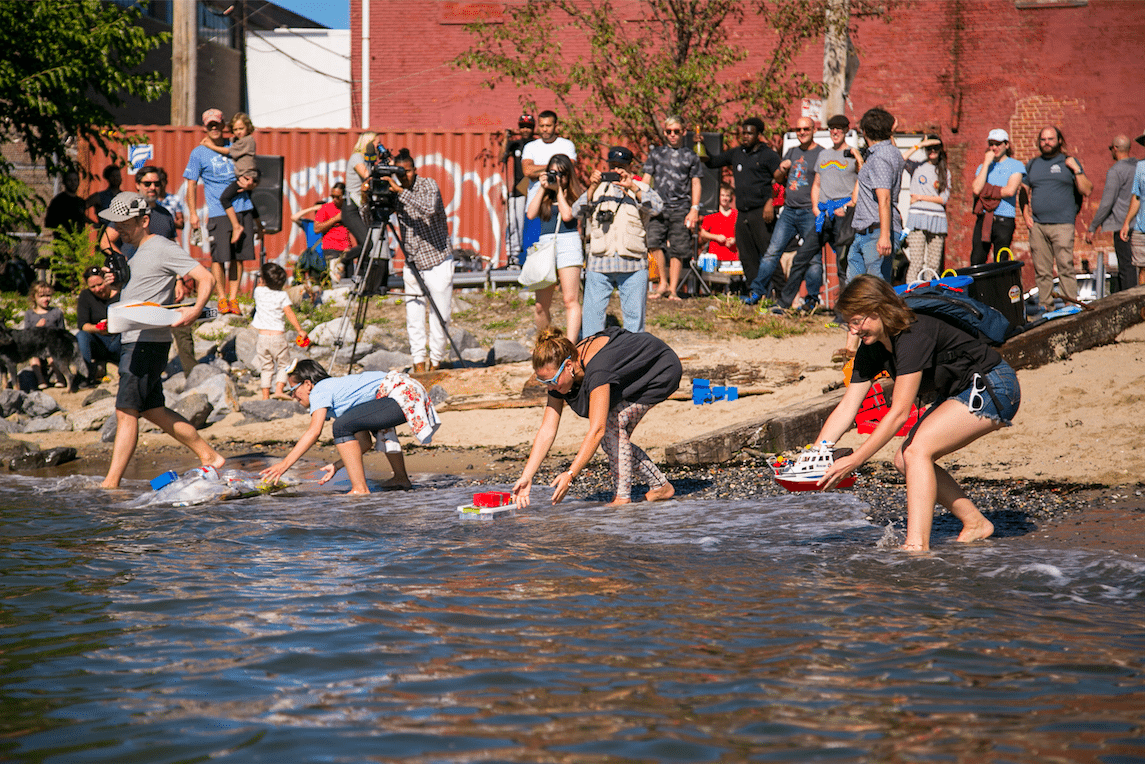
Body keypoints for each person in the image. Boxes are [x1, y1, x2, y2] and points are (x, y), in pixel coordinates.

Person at [816, 275, 1021, 551]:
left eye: (856, 321)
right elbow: (847, 408)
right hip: (959, 391)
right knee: (904, 459)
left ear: (877, 311)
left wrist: (855, 460)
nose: (852, 331)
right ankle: (975, 523)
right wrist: (813, 455)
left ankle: (916, 547)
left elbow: (899, 413)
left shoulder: (913, 334)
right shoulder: (870, 346)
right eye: (848, 323)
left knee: (916, 452)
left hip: (994, 385)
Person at [96, 192, 223, 489]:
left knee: (125, 411)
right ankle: (210, 456)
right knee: (152, 410)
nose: (118, 230)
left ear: (144, 220)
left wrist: (193, 312)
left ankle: (110, 484)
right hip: (135, 339)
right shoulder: (134, 251)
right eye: (115, 224)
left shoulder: (163, 247)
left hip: (147, 342)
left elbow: (207, 278)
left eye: (124, 223)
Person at [512, 326, 681, 508]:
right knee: (612, 438)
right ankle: (660, 487)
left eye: (552, 381)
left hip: (659, 368)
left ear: (568, 366)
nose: (550, 388)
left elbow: (598, 430)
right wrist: (527, 476)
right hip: (628, 372)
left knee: (611, 428)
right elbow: (547, 429)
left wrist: (570, 474)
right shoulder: (562, 375)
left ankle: (622, 499)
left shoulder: (597, 371)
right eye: (543, 382)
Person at [260, 359, 441, 494]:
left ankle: (359, 489)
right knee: (348, 424)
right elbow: (363, 444)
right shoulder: (342, 397)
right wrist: (336, 466)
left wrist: (284, 464)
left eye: (293, 390)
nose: (293, 396)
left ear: (308, 384)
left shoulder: (320, 390)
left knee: (341, 426)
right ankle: (401, 479)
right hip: (406, 392)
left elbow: (314, 431)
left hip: (403, 393)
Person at [574, 146, 664, 336]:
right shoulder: (596, 189)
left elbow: (657, 208)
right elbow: (576, 212)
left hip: (633, 263)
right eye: (613, 166)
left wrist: (632, 187)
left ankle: (632, 360)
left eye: (621, 166)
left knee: (634, 321)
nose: (616, 171)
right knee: (592, 318)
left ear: (631, 167)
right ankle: (592, 358)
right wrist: (591, 188)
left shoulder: (641, 188)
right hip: (600, 262)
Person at [741, 116, 825, 310]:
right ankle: (756, 292)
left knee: (813, 257)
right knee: (772, 252)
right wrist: (781, 168)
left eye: (805, 129)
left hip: (809, 212)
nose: (802, 133)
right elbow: (777, 179)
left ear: (814, 130)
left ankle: (811, 300)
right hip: (789, 211)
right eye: (798, 129)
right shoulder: (792, 152)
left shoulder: (822, 153)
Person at [386, 149, 454, 373]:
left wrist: (399, 192)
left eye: (406, 172)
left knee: (440, 316)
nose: (403, 177)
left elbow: (428, 210)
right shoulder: (393, 190)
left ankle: (435, 362)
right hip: (412, 262)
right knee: (413, 316)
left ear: (414, 170)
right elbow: (371, 218)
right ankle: (419, 364)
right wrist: (370, 196)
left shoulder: (428, 185)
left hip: (437, 259)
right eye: (399, 173)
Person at [184, 108, 256, 316]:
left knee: (238, 257)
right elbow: (191, 184)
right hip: (218, 210)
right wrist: (193, 213)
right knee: (219, 257)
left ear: (224, 126)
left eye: (217, 124)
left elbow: (252, 168)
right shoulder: (199, 152)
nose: (214, 128)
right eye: (210, 125)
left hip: (243, 206)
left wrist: (252, 184)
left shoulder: (236, 145)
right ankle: (222, 298)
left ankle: (233, 299)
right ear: (205, 127)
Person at [702, 117, 782, 290]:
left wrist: (771, 202)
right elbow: (713, 162)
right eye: (743, 133)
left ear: (759, 135)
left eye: (749, 133)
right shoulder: (737, 153)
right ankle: (756, 293)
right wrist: (701, 147)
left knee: (769, 255)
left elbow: (781, 180)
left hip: (762, 212)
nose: (745, 136)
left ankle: (784, 296)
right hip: (743, 212)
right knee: (746, 256)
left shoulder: (768, 155)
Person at [1022, 126, 1093, 310]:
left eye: (1050, 139)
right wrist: (1025, 214)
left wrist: (1076, 169)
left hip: (1063, 224)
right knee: (1042, 271)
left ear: (1059, 140)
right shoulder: (1032, 164)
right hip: (1037, 225)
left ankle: (1071, 307)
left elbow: (1086, 190)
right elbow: (1023, 190)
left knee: (1065, 267)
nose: (1046, 143)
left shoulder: (1068, 162)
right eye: (1043, 139)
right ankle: (1046, 308)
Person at [525, 153, 584, 342]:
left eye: (561, 174)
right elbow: (531, 214)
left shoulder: (575, 194)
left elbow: (568, 216)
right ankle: (545, 344)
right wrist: (543, 188)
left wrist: (559, 190)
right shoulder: (543, 193)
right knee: (541, 305)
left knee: (570, 300)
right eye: (553, 173)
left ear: (568, 175)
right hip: (546, 244)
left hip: (569, 243)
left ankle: (571, 346)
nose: (557, 177)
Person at [644, 115, 703, 300]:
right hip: (657, 207)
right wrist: (640, 199)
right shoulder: (656, 154)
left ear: (683, 132)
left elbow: (696, 183)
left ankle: (673, 290)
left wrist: (694, 209)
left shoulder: (691, 155)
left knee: (678, 249)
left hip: (681, 208)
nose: (672, 135)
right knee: (653, 243)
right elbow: (646, 180)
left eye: (676, 131)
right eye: (668, 131)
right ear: (664, 132)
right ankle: (662, 283)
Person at [847, 107, 905, 283]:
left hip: (876, 233)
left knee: (874, 289)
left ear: (864, 132)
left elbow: (884, 198)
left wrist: (885, 236)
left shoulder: (880, 157)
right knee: (855, 290)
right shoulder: (891, 151)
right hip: (865, 232)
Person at [810, 114, 861, 300]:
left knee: (843, 264)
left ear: (846, 131)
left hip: (843, 217)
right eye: (832, 128)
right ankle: (800, 301)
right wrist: (816, 208)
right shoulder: (823, 154)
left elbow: (861, 182)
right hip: (822, 215)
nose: (835, 131)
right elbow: (816, 184)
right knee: (804, 256)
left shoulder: (854, 154)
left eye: (839, 128)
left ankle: (843, 310)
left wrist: (849, 205)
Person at [520, 110, 577, 258]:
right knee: (533, 255)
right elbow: (527, 171)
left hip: (559, 206)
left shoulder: (566, 145)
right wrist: (555, 166)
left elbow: (569, 167)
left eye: (548, 125)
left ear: (555, 125)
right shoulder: (531, 147)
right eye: (542, 125)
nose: (544, 129)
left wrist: (537, 168)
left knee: (561, 254)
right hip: (536, 206)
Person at [1086, 135, 1139, 292]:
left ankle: (1132, 306)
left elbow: (1107, 202)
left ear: (1115, 149)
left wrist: (1093, 227)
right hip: (1140, 225)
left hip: (1124, 226)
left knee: (1127, 268)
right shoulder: (1140, 166)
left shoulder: (1115, 171)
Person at [199, 112, 258, 244]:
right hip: (246, 176)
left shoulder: (247, 141)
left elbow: (228, 151)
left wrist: (209, 146)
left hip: (245, 176)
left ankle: (236, 226)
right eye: (235, 130)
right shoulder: (240, 141)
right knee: (251, 203)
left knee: (224, 198)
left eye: (241, 129)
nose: (238, 132)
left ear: (248, 128)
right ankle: (259, 227)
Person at [970, 128, 1025, 266]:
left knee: (1001, 261)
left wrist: (986, 190)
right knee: (977, 260)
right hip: (984, 218)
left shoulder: (1016, 165)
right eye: (991, 143)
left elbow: (1010, 191)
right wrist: (987, 163)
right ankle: (978, 288)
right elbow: (976, 189)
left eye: (998, 143)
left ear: (1006, 145)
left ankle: (1000, 287)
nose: (994, 147)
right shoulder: (983, 167)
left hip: (1004, 219)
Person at [252, 263, 308, 400]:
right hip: (278, 337)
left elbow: (260, 285)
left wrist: (262, 279)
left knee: (266, 367)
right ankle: (278, 390)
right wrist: (299, 330)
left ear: (263, 279)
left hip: (262, 337)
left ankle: (265, 395)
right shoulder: (282, 295)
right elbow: (289, 313)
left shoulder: (258, 292)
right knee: (284, 364)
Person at [900, 135, 951, 282]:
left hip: (938, 220)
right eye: (929, 148)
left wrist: (920, 197)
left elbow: (943, 198)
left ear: (941, 150)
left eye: (935, 148)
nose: (932, 151)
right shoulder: (916, 167)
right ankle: (910, 295)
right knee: (916, 263)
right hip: (917, 219)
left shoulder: (945, 172)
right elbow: (900, 159)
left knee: (934, 265)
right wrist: (919, 144)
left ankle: (931, 295)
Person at [99, 165, 177, 256]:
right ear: (137, 185)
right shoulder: (128, 210)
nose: (152, 187)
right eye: (147, 184)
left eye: (157, 184)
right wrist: (124, 263)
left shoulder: (166, 214)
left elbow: (172, 245)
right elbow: (105, 242)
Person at [498, 113, 535, 265]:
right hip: (519, 189)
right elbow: (501, 158)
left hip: (535, 188)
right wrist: (506, 138)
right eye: (522, 127)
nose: (525, 130)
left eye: (528, 127)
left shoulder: (536, 145)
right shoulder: (516, 144)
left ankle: (532, 255)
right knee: (514, 223)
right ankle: (513, 257)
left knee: (533, 224)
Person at [76, 266, 121, 385]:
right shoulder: (86, 296)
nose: (97, 289)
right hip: (99, 340)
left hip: (118, 340)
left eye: (100, 284)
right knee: (81, 336)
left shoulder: (120, 293)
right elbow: (83, 324)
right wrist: (98, 328)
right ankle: (86, 375)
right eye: (93, 287)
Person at [23, 281, 67, 389]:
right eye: (41, 296)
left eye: (48, 295)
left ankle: (59, 377)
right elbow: (26, 334)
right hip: (37, 346)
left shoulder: (56, 312)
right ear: (34, 297)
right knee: (33, 357)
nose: (46, 299)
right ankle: (40, 380)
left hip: (52, 344)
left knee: (52, 356)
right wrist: (36, 328)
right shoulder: (30, 314)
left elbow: (62, 331)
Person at [314, 182, 356, 282]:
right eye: (333, 196)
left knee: (349, 282)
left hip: (347, 250)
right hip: (332, 250)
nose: (335, 200)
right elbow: (317, 228)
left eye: (338, 197)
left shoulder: (349, 208)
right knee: (336, 281)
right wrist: (335, 219)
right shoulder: (325, 208)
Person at [1118, 131, 1145, 287]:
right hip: (1141, 228)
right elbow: (1136, 197)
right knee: (1143, 270)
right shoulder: (1140, 167)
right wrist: (1127, 222)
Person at [42, 170, 89, 238]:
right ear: (64, 182)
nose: (73, 183)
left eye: (75, 180)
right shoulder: (58, 201)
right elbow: (49, 223)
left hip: (79, 242)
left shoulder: (80, 202)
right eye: (70, 180)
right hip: (63, 243)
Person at [700, 183, 738, 264]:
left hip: (733, 257)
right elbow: (703, 233)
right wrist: (716, 237)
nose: (725, 198)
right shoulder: (711, 214)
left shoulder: (736, 214)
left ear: (730, 197)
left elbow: (743, 233)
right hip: (714, 257)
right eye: (722, 195)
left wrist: (735, 239)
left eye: (727, 195)